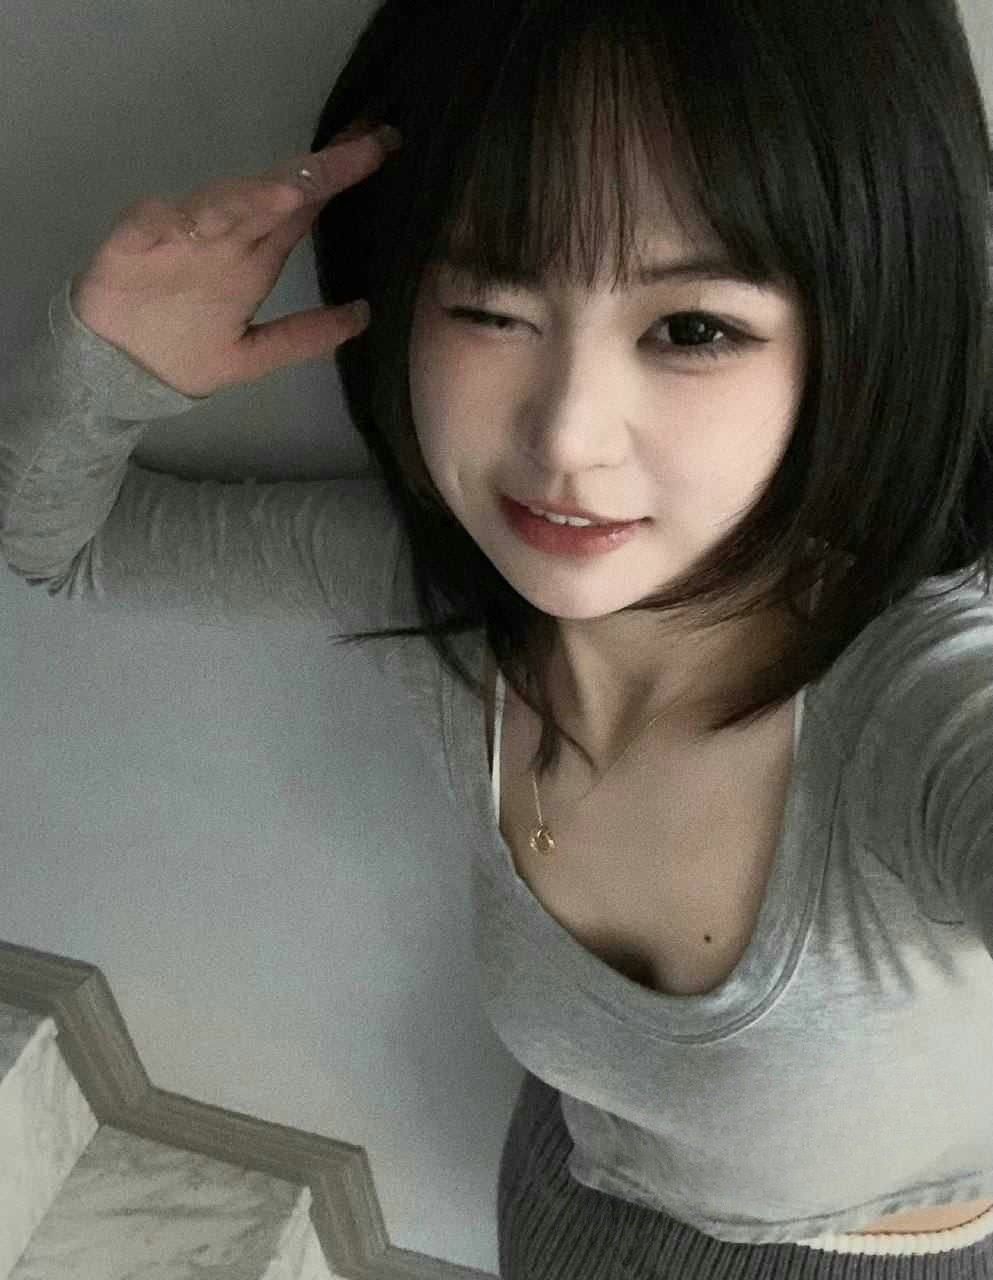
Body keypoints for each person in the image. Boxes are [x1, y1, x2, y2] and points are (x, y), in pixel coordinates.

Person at [3, 0, 993, 1274]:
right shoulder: (441, 591)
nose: (566, 433)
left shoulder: (918, 704)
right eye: (488, 306)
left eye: (693, 328)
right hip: (562, 1201)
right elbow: (64, 542)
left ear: (862, 336)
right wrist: (112, 364)